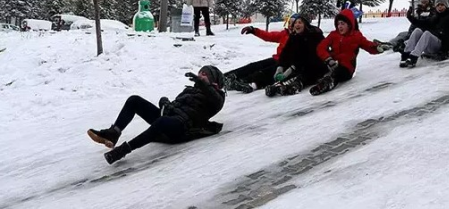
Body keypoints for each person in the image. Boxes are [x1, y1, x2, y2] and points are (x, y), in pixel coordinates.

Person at [87, 66, 226, 164]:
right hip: (169, 121)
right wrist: (165, 103)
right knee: (134, 100)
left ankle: (122, 151)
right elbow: (175, 106)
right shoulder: (190, 90)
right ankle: (113, 133)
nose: (200, 75)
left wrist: (202, 84)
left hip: (182, 129)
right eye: (199, 73)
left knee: (162, 121)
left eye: (204, 74)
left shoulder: (217, 98)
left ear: (213, 80)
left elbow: (212, 96)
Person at [312, 9, 390, 95]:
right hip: (332, 62)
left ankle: (327, 83)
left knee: (338, 73)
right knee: (317, 64)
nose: (340, 26)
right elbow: (321, 47)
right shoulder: (333, 35)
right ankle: (309, 78)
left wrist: (377, 48)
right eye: (338, 24)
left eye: (342, 24)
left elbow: (367, 45)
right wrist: (328, 59)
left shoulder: (356, 36)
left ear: (349, 25)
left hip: (347, 66)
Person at [224, 16, 295, 93]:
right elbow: (269, 36)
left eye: (293, 24)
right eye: (289, 23)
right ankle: (227, 77)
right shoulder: (285, 34)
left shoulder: (300, 38)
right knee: (254, 66)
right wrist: (254, 30)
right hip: (276, 59)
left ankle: (244, 82)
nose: (290, 26)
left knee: (264, 71)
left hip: (286, 64)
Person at [264, 14, 326, 96]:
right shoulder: (294, 37)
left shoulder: (313, 35)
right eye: (295, 23)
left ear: (305, 25)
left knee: (304, 74)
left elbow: (308, 57)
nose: (297, 25)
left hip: (316, 65)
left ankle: (295, 85)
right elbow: (285, 53)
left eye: (300, 22)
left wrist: (292, 68)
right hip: (299, 65)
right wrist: (280, 67)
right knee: (285, 72)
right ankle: (277, 86)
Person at [400, 0, 449, 67]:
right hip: (430, 46)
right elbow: (421, 23)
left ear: (446, 6)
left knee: (427, 33)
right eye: (438, 5)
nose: (440, 7)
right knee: (417, 30)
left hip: (441, 46)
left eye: (442, 5)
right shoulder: (435, 17)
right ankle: (406, 54)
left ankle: (413, 57)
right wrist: (410, 17)